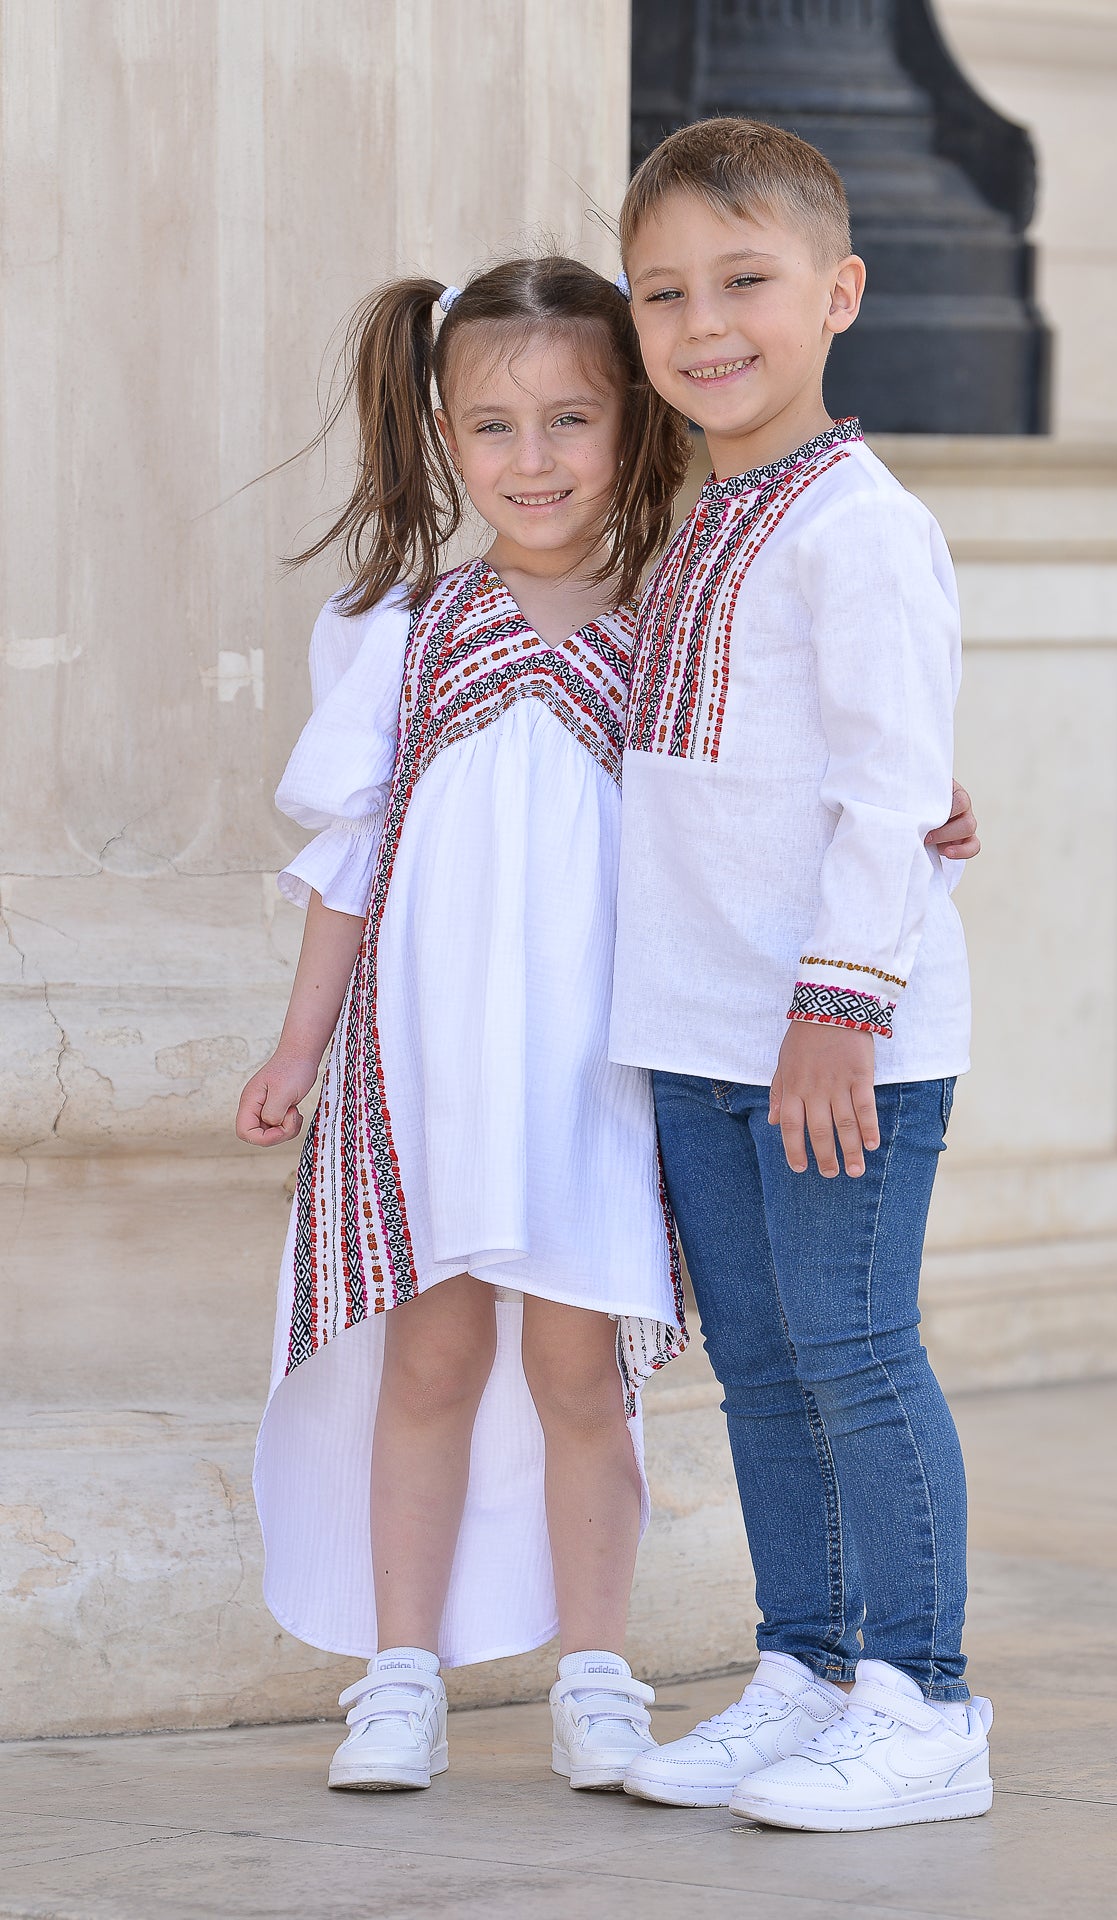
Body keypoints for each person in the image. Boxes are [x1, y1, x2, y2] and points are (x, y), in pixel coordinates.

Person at [236, 258, 693, 1794]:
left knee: (579, 1374)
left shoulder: (673, 620)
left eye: (571, 419)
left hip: (590, 1077)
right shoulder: (399, 628)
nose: (534, 459)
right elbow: (351, 861)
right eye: (494, 426)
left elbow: (752, 817)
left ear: (633, 420)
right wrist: (298, 1048)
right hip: (424, 1071)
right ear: (443, 435)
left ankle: (599, 1676)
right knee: (426, 1364)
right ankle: (398, 1676)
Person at [609, 117, 994, 1833]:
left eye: (743, 281)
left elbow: (886, 783)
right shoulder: (699, 523)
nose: (703, 325)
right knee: (761, 1371)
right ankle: (806, 1670)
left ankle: (924, 1702)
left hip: (836, 1043)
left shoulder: (860, 524)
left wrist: (837, 1009)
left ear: (836, 293)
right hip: (699, 1032)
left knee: (853, 1355)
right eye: (662, 293)